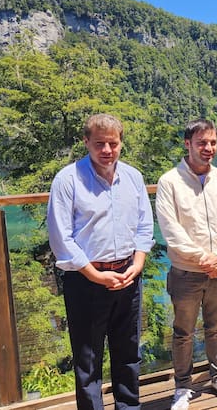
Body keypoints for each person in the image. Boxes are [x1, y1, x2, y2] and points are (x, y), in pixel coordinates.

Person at [47, 113, 155, 409]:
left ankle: (129, 407)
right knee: (88, 360)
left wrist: (139, 262)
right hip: (86, 281)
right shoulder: (68, 180)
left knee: (129, 353)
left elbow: (145, 226)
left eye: (113, 143)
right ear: (86, 142)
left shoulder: (133, 177)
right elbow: (61, 237)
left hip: (128, 275)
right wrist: (95, 275)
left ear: (121, 143)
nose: (107, 150)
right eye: (99, 144)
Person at [155, 118, 217, 410]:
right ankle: (182, 386)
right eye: (202, 142)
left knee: (216, 327)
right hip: (186, 272)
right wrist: (202, 258)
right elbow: (171, 230)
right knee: (183, 331)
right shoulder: (170, 182)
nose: (209, 148)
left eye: (213, 142)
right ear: (188, 144)